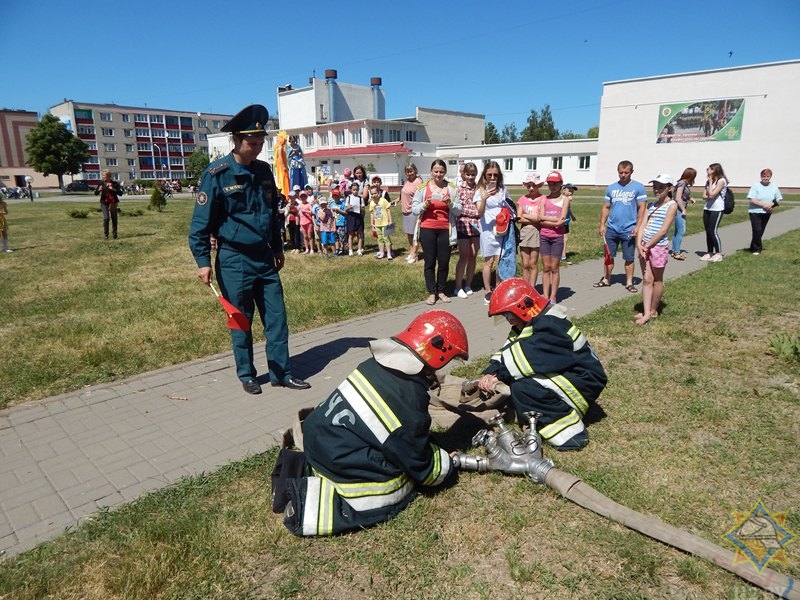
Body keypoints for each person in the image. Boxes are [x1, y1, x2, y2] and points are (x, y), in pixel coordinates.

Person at [282, 310, 468, 536]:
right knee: (397, 483)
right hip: (341, 466)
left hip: (318, 447)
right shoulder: (406, 400)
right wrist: (447, 465)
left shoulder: (374, 365)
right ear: (438, 355)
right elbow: (422, 467)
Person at [188, 104, 310, 395]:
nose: (257, 148)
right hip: (234, 259)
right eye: (251, 144)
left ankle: (281, 373)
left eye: (260, 143)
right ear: (236, 141)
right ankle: (247, 374)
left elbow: (271, 214)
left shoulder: (264, 171)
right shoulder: (217, 174)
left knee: (277, 319)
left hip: (265, 257)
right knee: (241, 320)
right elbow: (199, 226)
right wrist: (203, 261)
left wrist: (278, 247)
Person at [478, 278, 607, 451]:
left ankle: (568, 432)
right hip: (574, 377)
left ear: (523, 307)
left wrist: (497, 376)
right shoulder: (533, 322)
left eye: (508, 314)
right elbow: (508, 349)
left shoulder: (549, 326)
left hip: (582, 384)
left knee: (523, 388)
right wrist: (491, 371)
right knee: (517, 383)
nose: (508, 320)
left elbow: (521, 360)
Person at [412, 159, 461, 305]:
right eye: (436, 171)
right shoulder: (422, 188)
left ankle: (441, 290)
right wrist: (424, 205)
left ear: (445, 172)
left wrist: (449, 203)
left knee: (444, 262)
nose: (438, 174)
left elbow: (459, 210)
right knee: (430, 262)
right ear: (431, 171)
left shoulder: (451, 188)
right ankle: (431, 292)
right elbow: (413, 209)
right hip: (427, 229)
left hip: (446, 229)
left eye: (441, 172)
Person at [594, 160, 647, 293]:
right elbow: (606, 207)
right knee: (608, 256)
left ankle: (629, 282)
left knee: (629, 257)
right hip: (612, 228)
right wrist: (602, 224)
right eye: (621, 172)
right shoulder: (611, 188)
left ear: (631, 172)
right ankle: (606, 279)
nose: (623, 175)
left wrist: (638, 226)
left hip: (629, 229)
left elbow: (642, 208)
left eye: (626, 172)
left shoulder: (638, 187)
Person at [635, 174, 678, 325]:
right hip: (644, 246)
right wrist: (639, 244)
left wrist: (647, 246)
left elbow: (663, 230)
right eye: (655, 187)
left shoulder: (672, 205)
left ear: (669, 188)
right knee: (647, 279)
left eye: (661, 187)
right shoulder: (651, 205)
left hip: (658, 247)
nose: (657, 190)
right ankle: (646, 312)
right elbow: (642, 225)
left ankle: (653, 310)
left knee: (657, 280)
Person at [475, 161, 511, 305]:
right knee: (489, 262)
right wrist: (484, 199)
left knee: (501, 259)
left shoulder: (503, 189)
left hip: (502, 229)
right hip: (487, 230)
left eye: (495, 174)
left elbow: (509, 206)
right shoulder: (480, 191)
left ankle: (498, 287)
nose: (492, 177)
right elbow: (479, 212)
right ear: (484, 175)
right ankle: (487, 291)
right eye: (489, 174)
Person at [539, 172, 570, 305]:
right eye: (550, 183)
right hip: (544, 236)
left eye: (555, 183)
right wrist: (555, 221)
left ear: (560, 184)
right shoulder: (544, 199)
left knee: (554, 267)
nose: (553, 186)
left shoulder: (565, 199)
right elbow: (540, 219)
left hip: (557, 237)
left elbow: (562, 220)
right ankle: (545, 296)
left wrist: (550, 220)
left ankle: (553, 296)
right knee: (546, 267)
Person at [453, 162, 480, 298]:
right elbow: (458, 208)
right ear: (464, 174)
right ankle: (457, 287)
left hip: (476, 224)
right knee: (463, 256)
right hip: (463, 224)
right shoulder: (459, 189)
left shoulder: (478, 188)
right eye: (468, 174)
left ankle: (468, 284)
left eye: (473, 174)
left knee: (473, 255)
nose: (470, 177)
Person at [517, 171, 544, 288]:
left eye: (534, 185)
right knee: (525, 263)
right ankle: (525, 286)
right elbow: (519, 218)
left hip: (536, 232)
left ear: (539, 185)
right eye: (529, 186)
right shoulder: (522, 199)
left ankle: (532, 287)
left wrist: (526, 216)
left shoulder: (543, 199)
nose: (531, 188)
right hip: (524, 232)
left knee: (533, 263)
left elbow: (541, 218)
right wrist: (533, 218)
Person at [747, 168, 782, 255]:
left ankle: (753, 246)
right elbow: (751, 199)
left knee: (761, 230)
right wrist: (763, 205)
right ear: (761, 176)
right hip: (755, 211)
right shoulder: (756, 186)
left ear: (770, 177)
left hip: (767, 212)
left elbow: (778, 199)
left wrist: (771, 205)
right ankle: (757, 249)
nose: (765, 178)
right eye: (763, 176)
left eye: (767, 176)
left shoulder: (774, 186)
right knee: (757, 229)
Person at [700, 163, 728, 262]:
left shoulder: (721, 181)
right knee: (708, 231)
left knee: (713, 230)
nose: (708, 170)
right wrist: (709, 183)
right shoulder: (708, 181)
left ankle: (718, 253)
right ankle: (709, 252)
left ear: (716, 170)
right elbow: (704, 196)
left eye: (710, 169)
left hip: (717, 208)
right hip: (707, 208)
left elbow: (711, 194)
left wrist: (711, 182)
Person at [669, 168, 697, 260]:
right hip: (678, 209)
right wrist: (683, 209)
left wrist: (690, 198)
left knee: (677, 231)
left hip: (678, 208)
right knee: (681, 230)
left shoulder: (682, 183)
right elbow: (677, 197)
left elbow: (683, 195)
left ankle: (674, 250)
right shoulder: (682, 183)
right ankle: (676, 252)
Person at [400, 162, 422, 264]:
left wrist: (419, 213)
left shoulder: (418, 181)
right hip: (405, 211)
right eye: (407, 171)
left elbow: (421, 197)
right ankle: (411, 251)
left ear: (415, 171)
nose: (409, 173)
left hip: (413, 211)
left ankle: (415, 254)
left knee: (414, 235)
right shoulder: (407, 181)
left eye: (411, 171)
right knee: (408, 233)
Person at [94, 169, 123, 240]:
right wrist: (99, 190)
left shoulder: (115, 183)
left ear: (108, 175)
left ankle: (114, 234)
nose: (103, 176)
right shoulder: (101, 183)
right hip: (104, 203)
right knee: (106, 218)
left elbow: (120, 193)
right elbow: (95, 193)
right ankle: (106, 235)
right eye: (103, 175)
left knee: (114, 218)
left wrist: (113, 189)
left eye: (104, 175)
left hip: (113, 203)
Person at [368, 183, 394, 260]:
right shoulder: (372, 203)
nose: (374, 195)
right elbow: (372, 213)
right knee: (380, 238)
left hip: (385, 222)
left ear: (379, 193)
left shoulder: (383, 200)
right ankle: (382, 252)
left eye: (375, 193)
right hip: (377, 224)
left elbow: (388, 210)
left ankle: (389, 253)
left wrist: (390, 220)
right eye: (372, 194)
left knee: (386, 238)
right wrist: (372, 222)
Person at [345, 181, 365, 256]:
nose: (355, 191)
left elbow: (363, 210)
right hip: (351, 216)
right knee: (351, 234)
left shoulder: (360, 199)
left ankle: (359, 249)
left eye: (356, 190)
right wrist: (349, 207)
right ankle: (350, 250)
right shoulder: (349, 198)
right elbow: (346, 209)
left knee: (360, 234)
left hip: (358, 217)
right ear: (351, 190)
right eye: (354, 190)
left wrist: (360, 207)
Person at [560, 184, 578, 263]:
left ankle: (562, 255)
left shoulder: (567, 199)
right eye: (569, 191)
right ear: (564, 190)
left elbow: (568, 209)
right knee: (564, 239)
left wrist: (572, 216)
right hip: (562, 221)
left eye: (572, 191)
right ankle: (563, 256)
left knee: (565, 239)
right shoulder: (562, 199)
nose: (571, 193)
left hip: (566, 221)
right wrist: (567, 200)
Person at [328, 188, 348, 256]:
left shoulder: (342, 204)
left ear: (339, 196)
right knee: (335, 237)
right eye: (334, 196)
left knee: (342, 237)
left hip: (341, 223)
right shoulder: (331, 204)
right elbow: (330, 213)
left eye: (337, 196)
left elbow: (345, 213)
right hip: (334, 223)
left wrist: (338, 211)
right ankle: (337, 249)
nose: (335, 197)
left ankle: (342, 248)